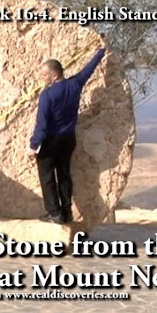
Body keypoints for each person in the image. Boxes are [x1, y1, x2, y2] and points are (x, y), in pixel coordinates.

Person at [27, 36, 107, 224]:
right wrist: (101, 51)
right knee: (63, 174)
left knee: (47, 176)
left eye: (45, 75)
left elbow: (42, 124)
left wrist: (33, 145)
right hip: (69, 139)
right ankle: (67, 211)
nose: (42, 79)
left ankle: (54, 213)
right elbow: (89, 69)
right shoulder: (74, 84)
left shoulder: (47, 95)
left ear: (55, 75)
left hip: (51, 141)